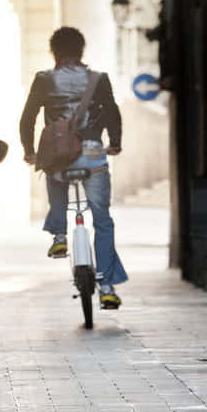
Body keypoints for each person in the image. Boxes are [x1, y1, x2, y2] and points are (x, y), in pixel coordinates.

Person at [18, 25, 128, 308]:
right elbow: (113, 112)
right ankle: (106, 285)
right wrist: (114, 142)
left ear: (54, 52)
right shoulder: (98, 79)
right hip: (92, 155)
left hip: (59, 155)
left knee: (52, 172)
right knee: (102, 220)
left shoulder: (44, 79)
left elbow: (27, 118)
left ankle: (59, 234)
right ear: (82, 51)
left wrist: (30, 152)